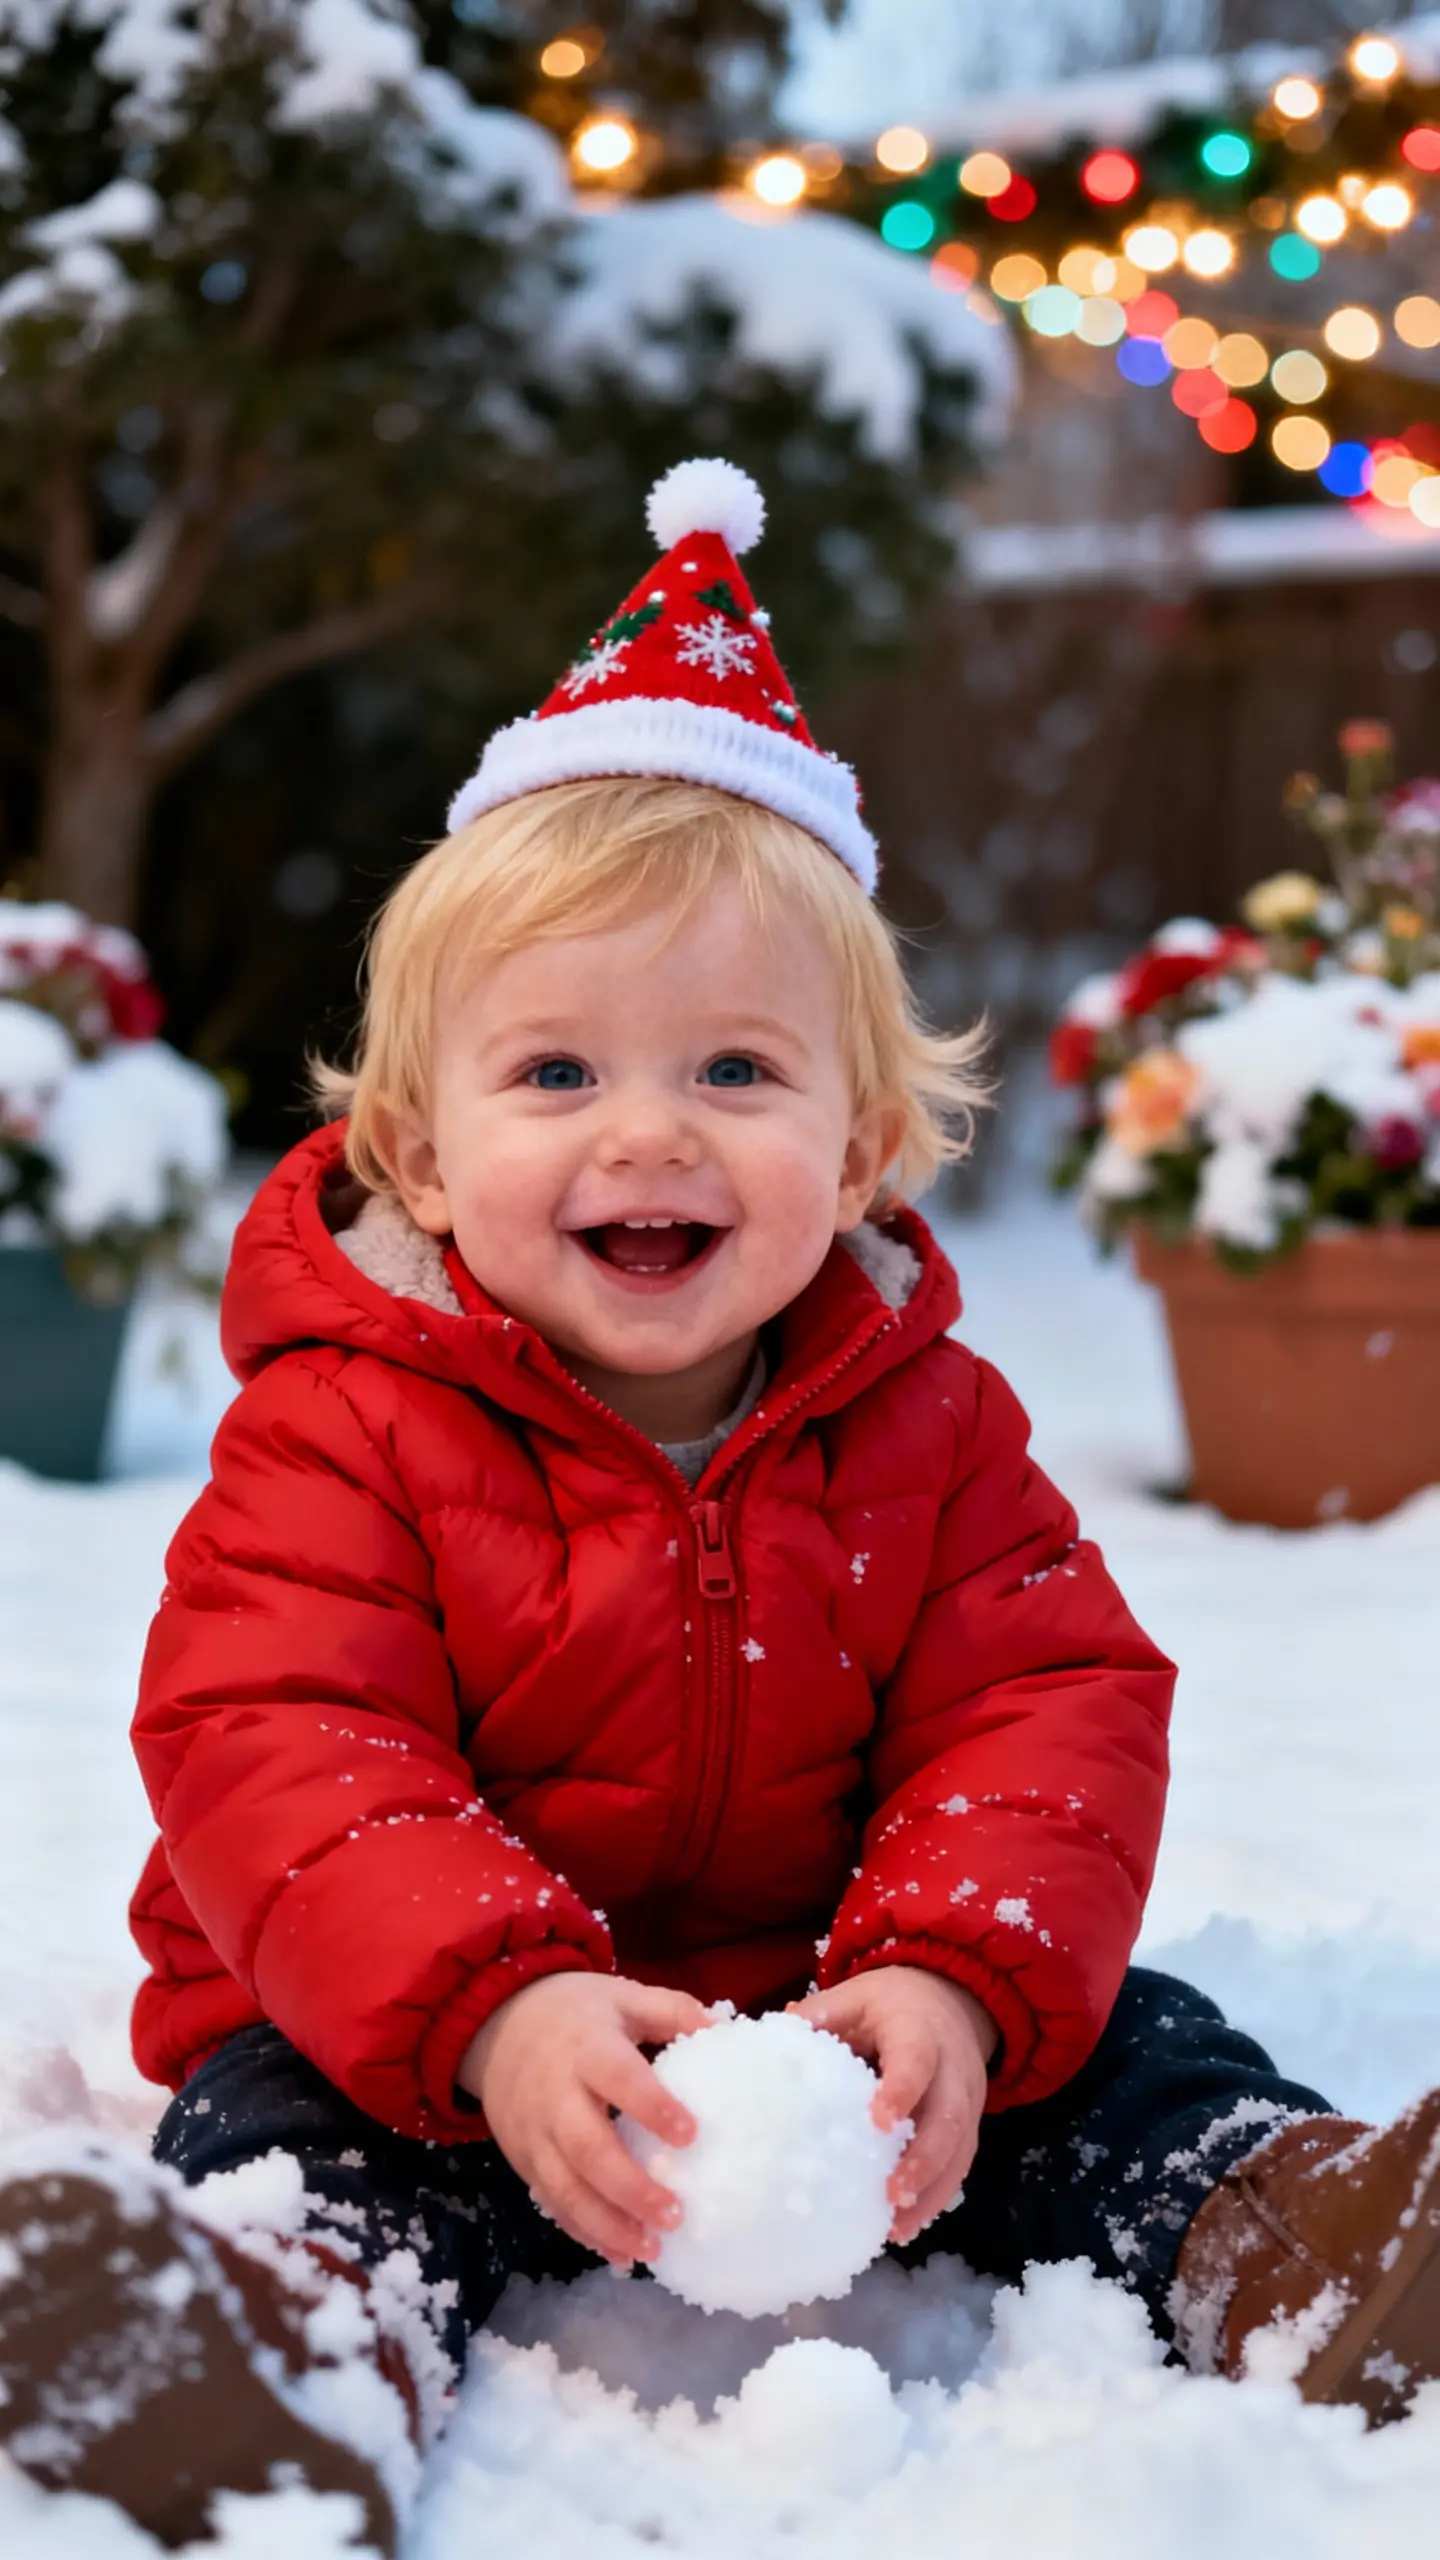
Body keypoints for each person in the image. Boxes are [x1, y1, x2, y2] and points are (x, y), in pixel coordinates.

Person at [1, 460, 1435, 2555]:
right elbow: (280, 1743)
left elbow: (1046, 1705)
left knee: (1121, 2048)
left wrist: (943, 1978)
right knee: (309, 2145)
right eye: (558, 1073)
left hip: (834, 2016)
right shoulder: (341, 1424)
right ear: (414, 1144)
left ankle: (1295, 2241)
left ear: (862, 1145)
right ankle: (274, 2352)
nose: (650, 1127)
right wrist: (490, 2006)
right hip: (412, 2029)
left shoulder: (930, 1423)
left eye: (739, 1073)